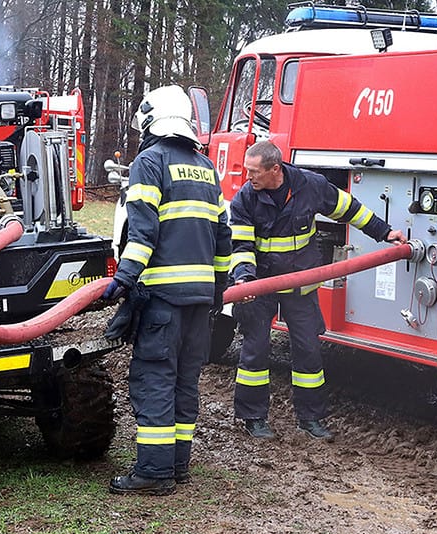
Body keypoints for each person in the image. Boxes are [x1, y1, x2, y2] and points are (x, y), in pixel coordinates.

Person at [102, 85, 232, 495]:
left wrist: (123, 278)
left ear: (150, 120)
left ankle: (154, 474)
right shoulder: (206, 167)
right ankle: (177, 465)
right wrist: (218, 291)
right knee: (184, 381)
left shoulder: (150, 161)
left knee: (155, 378)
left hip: (163, 299)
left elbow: (142, 233)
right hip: (201, 298)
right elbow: (223, 236)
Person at [230, 140, 406, 441]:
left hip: (300, 284)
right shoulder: (245, 199)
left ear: (276, 169)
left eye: (254, 171)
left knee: (309, 352)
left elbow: (351, 209)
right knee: (255, 352)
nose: (248, 177)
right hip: (261, 286)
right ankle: (253, 417)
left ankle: (311, 419)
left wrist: (385, 232)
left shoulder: (310, 186)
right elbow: (242, 246)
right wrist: (245, 279)